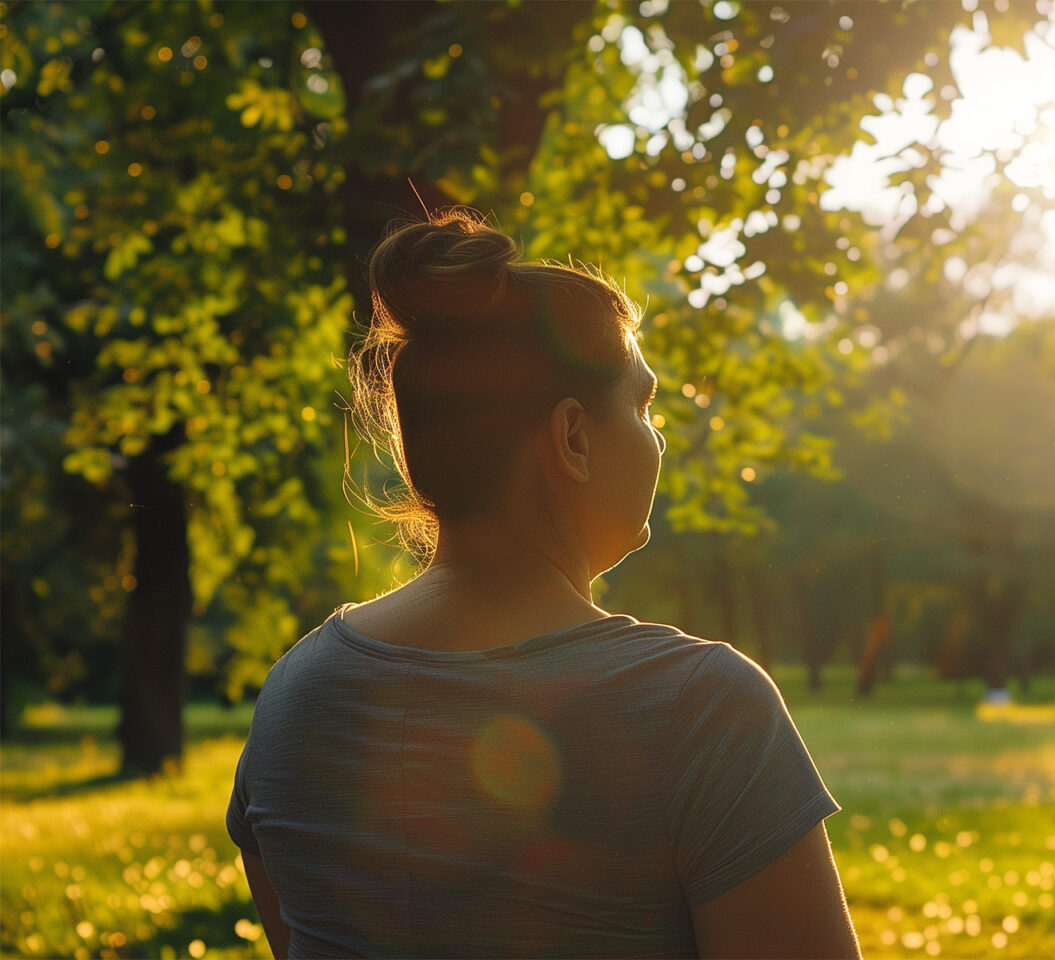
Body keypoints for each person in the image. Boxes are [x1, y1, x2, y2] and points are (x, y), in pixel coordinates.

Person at [226, 208, 859, 959]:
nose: (657, 438)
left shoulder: (296, 691)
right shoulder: (703, 707)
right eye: (645, 405)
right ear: (573, 438)